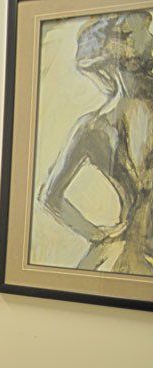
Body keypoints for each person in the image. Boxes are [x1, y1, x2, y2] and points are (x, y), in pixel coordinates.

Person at [38, 11, 153, 275]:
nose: (146, 38)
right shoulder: (92, 127)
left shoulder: (94, 126)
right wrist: (98, 235)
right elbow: (50, 196)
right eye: (124, 34)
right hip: (123, 256)